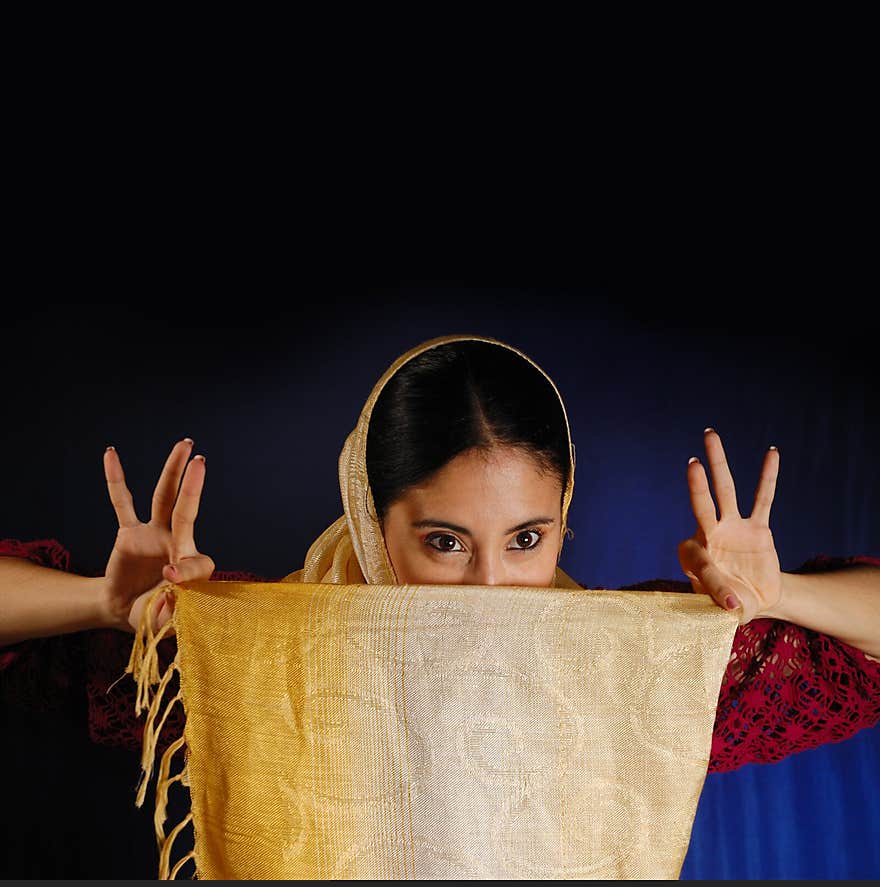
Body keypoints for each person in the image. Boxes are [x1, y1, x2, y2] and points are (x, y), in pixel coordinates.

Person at [2, 334, 879, 848]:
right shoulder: (253, 655)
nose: (492, 588)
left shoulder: (635, 667)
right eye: (445, 542)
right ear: (368, 515)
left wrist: (783, 595)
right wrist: (100, 604)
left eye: (527, 540)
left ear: (565, 520)